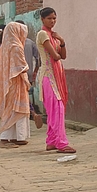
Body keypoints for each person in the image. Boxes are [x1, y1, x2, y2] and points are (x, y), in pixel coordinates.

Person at [36, 8, 76, 153]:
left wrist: (62, 41)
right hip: (49, 75)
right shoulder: (42, 34)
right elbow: (55, 56)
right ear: (42, 19)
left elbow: (63, 55)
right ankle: (61, 142)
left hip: (57, 73)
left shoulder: (53, 36)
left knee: (56, 108)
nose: (52, 21)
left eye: (54, 18)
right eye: (49, 19)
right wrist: (58, 46)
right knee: (56, 108)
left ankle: (51, 141)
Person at [0, 22, 31, 148]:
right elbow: (21, 67)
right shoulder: (16, 47)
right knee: (14, 109)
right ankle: (5, 139)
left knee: (14, 109)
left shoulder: (6, 46)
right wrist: (27, 79)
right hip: (15, 83)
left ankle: (18, 137)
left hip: (9, 82)